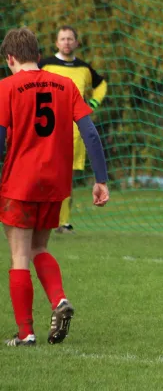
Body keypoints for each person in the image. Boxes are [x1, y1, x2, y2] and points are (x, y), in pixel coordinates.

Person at [0, 27, 109, 346]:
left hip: (19, 182)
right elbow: (90, 133)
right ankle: (59, 300)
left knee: (19, 255)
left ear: (10, 59)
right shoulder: (66, 85)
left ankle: (26, 333)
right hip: (56, 184)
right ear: (37, 55)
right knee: (39, 248)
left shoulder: (6, 87)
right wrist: (100, 179)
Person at [39, 25, 108, 234]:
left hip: (75, 130)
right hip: (47, 128)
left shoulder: (84, 68)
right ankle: (42, 217)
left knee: (65, 177)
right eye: (63, 38)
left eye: (70, 38)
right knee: (45, 174)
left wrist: (93, 104)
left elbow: (101, 85)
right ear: (56, 43)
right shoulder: (45, 65)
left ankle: (63, 221)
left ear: (76, 42)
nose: (67, 42)